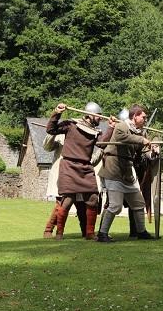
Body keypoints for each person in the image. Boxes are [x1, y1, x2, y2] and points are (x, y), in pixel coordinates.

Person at [46, 102, 113, 239]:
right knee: (67, 200)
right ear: (90, 115)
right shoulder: (71, 125)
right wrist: (57, 113)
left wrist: (111, 128)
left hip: (86, 168)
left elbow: (102, 144)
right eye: (98, 116)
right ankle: (59, 233)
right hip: (69, 166)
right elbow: (50, 129)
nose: (101, 118)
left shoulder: (95, 132)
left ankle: (89, 233)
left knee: (93, 198)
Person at [96, 104, 156, 243]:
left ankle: (141, 232)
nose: (145, 120)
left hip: (128, 171)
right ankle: (102, 234)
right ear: (135, 116)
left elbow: (142, 150)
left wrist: (152, 152)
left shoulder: (141, 132)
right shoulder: (121, 126)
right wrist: (142, 139)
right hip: (113, 169)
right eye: (143, 117)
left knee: (138, 203)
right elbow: (123, 138)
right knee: (115, 205)